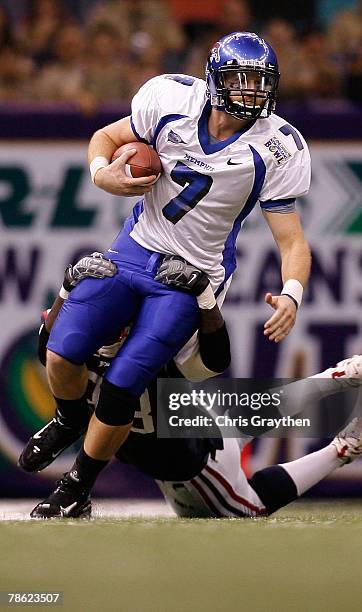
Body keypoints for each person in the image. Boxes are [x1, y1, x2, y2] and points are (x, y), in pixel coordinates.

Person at [34, 32, 312, 503]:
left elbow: (292, 240)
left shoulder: (276, 145)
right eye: (240, 80)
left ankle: (78, 483)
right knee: (61, 351)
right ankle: (67, 416)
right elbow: (106, 137)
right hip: (133, 250)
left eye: (259, 82)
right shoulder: (170, 98)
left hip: (190, 274)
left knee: (126, 381)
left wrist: (291, 293)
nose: (251, 92)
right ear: (214, 78)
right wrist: (102, 172)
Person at [24, 254, 362, 518]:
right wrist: (204, 299)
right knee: (257, 413)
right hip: (193, 419)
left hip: (188, 462)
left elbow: (51, 339)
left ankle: (341, 449)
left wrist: (67, 291)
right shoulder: (121, 345)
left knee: (248, 505)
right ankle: (336, 377)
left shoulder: (88, 350)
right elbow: (213, 359)